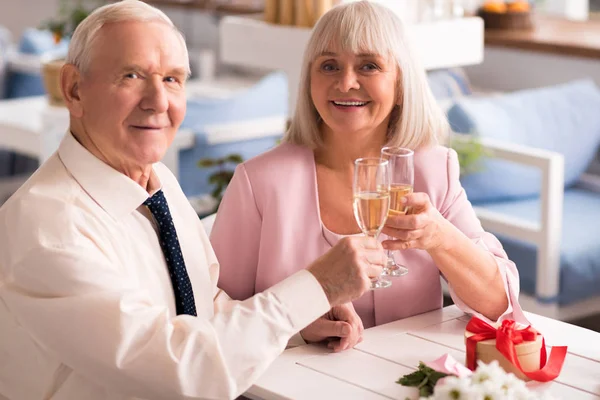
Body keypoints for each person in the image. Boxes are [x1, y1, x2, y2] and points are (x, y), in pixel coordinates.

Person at [0, 1, 388, 399]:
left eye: (172, 79)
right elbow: (180, 371)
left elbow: (199, 309)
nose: (158, 101)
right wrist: (316, 286)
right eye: (131, 75)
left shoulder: (157, 182)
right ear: (74, 89)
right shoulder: (47, 226)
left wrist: (295, 324)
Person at [211, 0, 527, 333]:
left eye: (368, 66)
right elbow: (215, 310)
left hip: (402, 377)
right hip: (289, 380)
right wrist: (296, 331)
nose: (346, 82)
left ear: (401, 84)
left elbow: (499, 304)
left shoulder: (433, 170)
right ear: (309, 81)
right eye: (329, 66)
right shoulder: (259, 182)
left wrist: (440, 237)